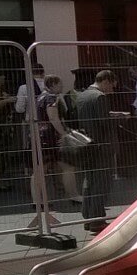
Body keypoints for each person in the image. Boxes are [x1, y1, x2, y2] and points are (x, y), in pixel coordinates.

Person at [77, 70, 117, 234]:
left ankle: (88, 217)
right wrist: (118, 118)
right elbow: (104, 122)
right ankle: (97, 219)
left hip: (87, 145)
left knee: (89, 181)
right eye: (112, 86)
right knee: (101, 182)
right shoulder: (99, 97)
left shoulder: (83, 96)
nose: (112, 90)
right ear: (106, 81)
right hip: (102, 146)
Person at [32, 76, 82, 206]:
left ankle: (37, 200)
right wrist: (64, 134)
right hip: (51, 137)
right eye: (60, 84)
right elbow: (54, 118)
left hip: (41, 135)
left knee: (40, 169)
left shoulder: (40, 97)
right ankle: (73, 195)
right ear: (53, 84)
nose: (62, 87)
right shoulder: (51, 98)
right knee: (67, 166)